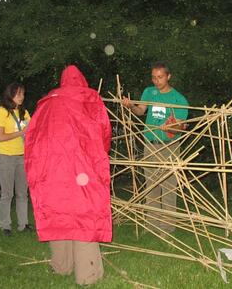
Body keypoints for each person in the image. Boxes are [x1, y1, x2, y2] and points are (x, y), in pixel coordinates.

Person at [24, 65, 112, 286]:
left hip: (50, 169)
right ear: (81, 79)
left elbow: (32, 136)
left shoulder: (46, 102)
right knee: (84, 214)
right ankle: (87, 274)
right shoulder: (89, 98)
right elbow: (104, 132)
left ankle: (62, 265)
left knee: (58, 212)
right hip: (81, 167)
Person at [122, 61, 189, 234]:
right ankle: (151, 225)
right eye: (154, 77)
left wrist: (172, 127)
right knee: (151, 185)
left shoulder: (179, 99)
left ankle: (167, 227)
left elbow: (181, 127)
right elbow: (140, 111)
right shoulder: (148, 92)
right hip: (150, 145)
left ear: (168, 76)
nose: (156, 81)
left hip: (169, 146)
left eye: (160, 77)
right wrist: (130, 106)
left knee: (168, 186)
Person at [0, 82, 32, 236]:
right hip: (6, 157)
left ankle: (24, 224)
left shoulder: (24, 112)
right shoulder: (2, 112)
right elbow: (1, 137)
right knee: (7, 193)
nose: (21, 97)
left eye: (22, 94)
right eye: (18, 94)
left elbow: (31, 132)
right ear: (10, 95)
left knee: (22, 193)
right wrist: (22, 132)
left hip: (22, 157)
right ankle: (5, 225)